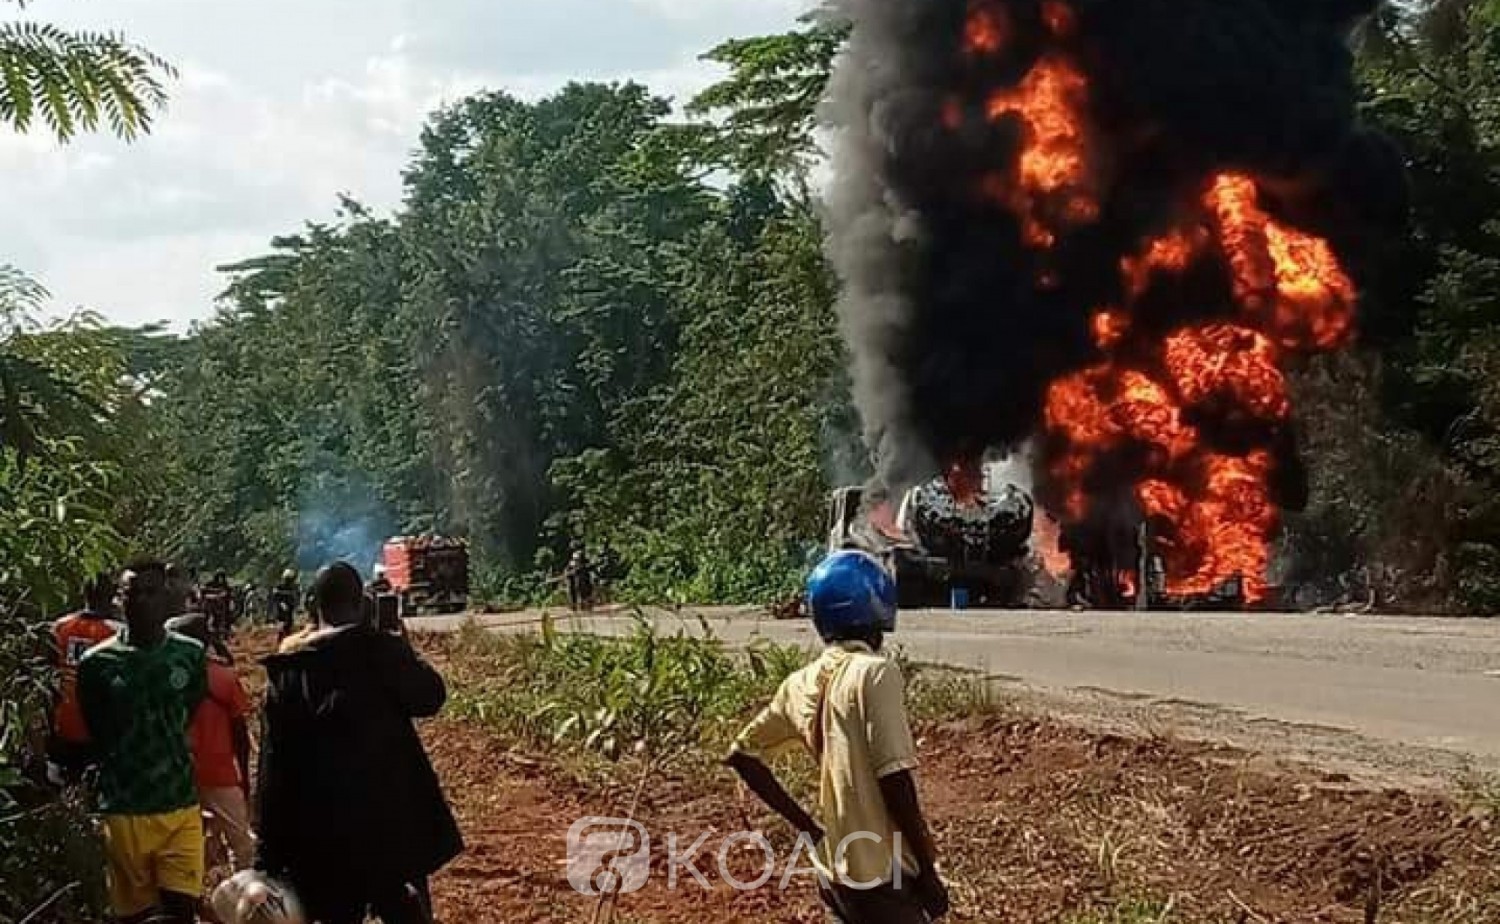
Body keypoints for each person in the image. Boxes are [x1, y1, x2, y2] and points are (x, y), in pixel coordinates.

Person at [726, 551, 950, 924]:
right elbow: (894, 779)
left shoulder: (797, 684)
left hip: (834, 872)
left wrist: (811, 831)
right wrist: (928, 870)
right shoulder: (876, 674)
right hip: (882, 875)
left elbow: (741, 754)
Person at [255, 562, 462, 924]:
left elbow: (273, 769)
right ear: (362, 603)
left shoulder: (289, 672)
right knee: (406, 911)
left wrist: (267, 856)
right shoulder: (382, 652)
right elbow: (430, 698)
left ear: (314, 607)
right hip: (390, 825)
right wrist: (403, 647)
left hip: (320, 836)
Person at [78, 561, 208, 924]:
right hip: (125, 808)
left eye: (151, 592)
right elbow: (97, 727)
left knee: (181, 912)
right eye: (132, 592)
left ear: (166, 597)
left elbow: (189, 709)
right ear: (120, 599)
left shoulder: (190, 654)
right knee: (136, 917)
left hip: (179, 803)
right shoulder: (97, 663)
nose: (141, 601)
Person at [166, 614, 254, 876]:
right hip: (220, 774)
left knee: (180, 843)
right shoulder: (224, 677)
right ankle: (243, 901)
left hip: (175, 774)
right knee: (243, 845)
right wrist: (245, 778)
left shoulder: (162, 677)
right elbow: (240, 734)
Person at [48, 572, 121, 783]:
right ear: (112, 596)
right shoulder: (117, 634)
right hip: (99, 729)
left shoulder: (59, 626)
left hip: (61, 723)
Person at [202, 572, 235, 639]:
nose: (220, 579)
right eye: (219, 576)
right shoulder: (210, 584)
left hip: (223, 605)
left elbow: (228, 594)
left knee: (228, 616)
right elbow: (203, 591)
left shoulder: (226, 585)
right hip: (210, 604)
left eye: (222, 576)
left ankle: (226, 632)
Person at [268, 570, 299, 641]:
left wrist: (295, 604)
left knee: (289, 623)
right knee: (282, 622)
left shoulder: (293, 587)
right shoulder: (279, 586)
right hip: (281, 607)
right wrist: (282, 604)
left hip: (289, 607)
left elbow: (294, 596)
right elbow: (275, 596)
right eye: (289, 579)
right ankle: (280, 637)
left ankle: (287, 638)